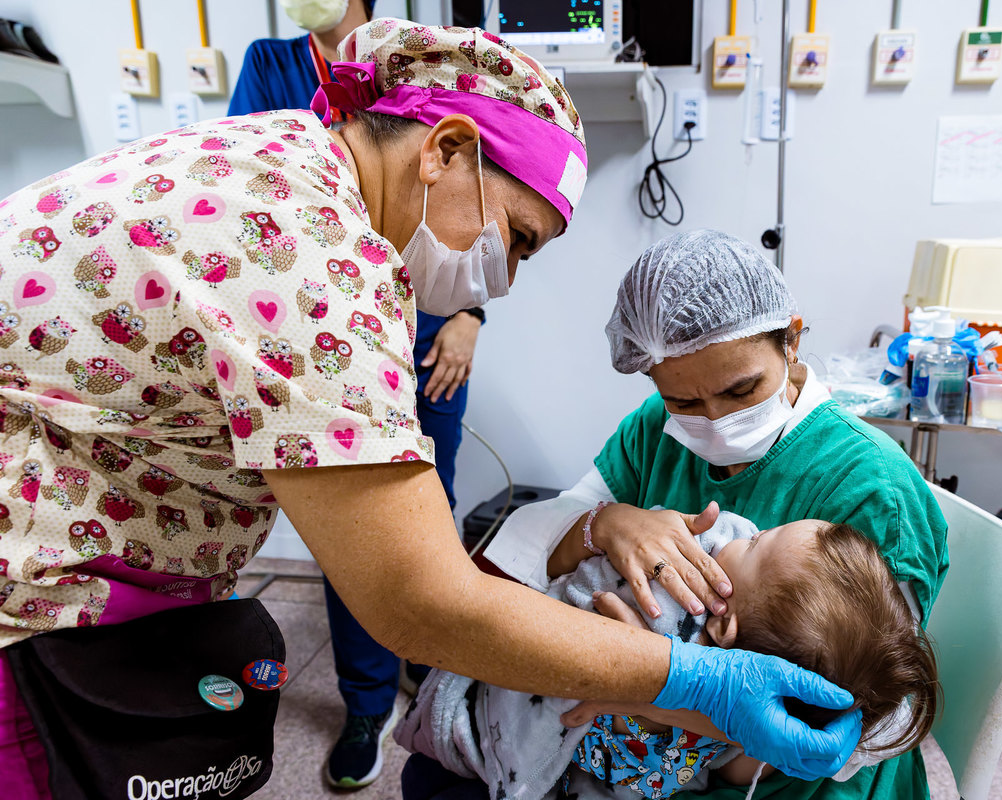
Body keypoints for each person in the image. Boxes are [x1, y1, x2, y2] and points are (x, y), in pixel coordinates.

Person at [0, 21, 859, 800]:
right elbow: (422, 600)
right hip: (34, 606)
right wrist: (691, 677)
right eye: (517, 239)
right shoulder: (312, 261)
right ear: (446, 149)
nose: (505, 280)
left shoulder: (282, 159)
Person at [484, 229, 949, 800]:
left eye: (741, 389)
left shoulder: (870, 486)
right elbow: (524, 556)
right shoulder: (655, 430)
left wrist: (656, 690)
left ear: (791, 340)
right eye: (684, 401)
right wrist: (603, 524)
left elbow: (877, 723)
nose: (715, 421)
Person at [229, 1, 484, 786]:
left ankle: (428, 661)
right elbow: (253, 190)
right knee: (357, 523)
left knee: (429, 508)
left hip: (430, 328)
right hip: (327, 327)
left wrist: (471, 313)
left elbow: (472, 200)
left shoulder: (419, 56)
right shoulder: (271, 65)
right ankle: (367, 703)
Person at [399, 510, 938, 800]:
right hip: (482, 678)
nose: (739, 527)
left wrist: (641, 694)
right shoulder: (676, 573)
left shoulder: (660, 611)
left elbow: (629, 763)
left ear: (723, 623)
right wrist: (605, 524)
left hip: (507, 758)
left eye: (755, 543)